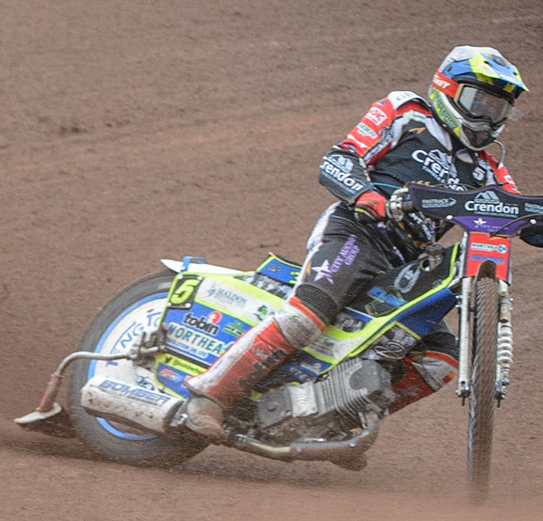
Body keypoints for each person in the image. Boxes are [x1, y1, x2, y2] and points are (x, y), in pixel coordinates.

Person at [181, 46, 542, 440]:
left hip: (408, 266)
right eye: (479, 101)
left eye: (497, 108)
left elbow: (518, 215)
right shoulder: (408, 113)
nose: (487, 116)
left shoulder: (488, 168)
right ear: (448, 89)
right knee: (307, 317)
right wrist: (369, 197)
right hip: (359, 232)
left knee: (439, 362)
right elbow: (339, 159)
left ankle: (333, 423)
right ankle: (209, 396)